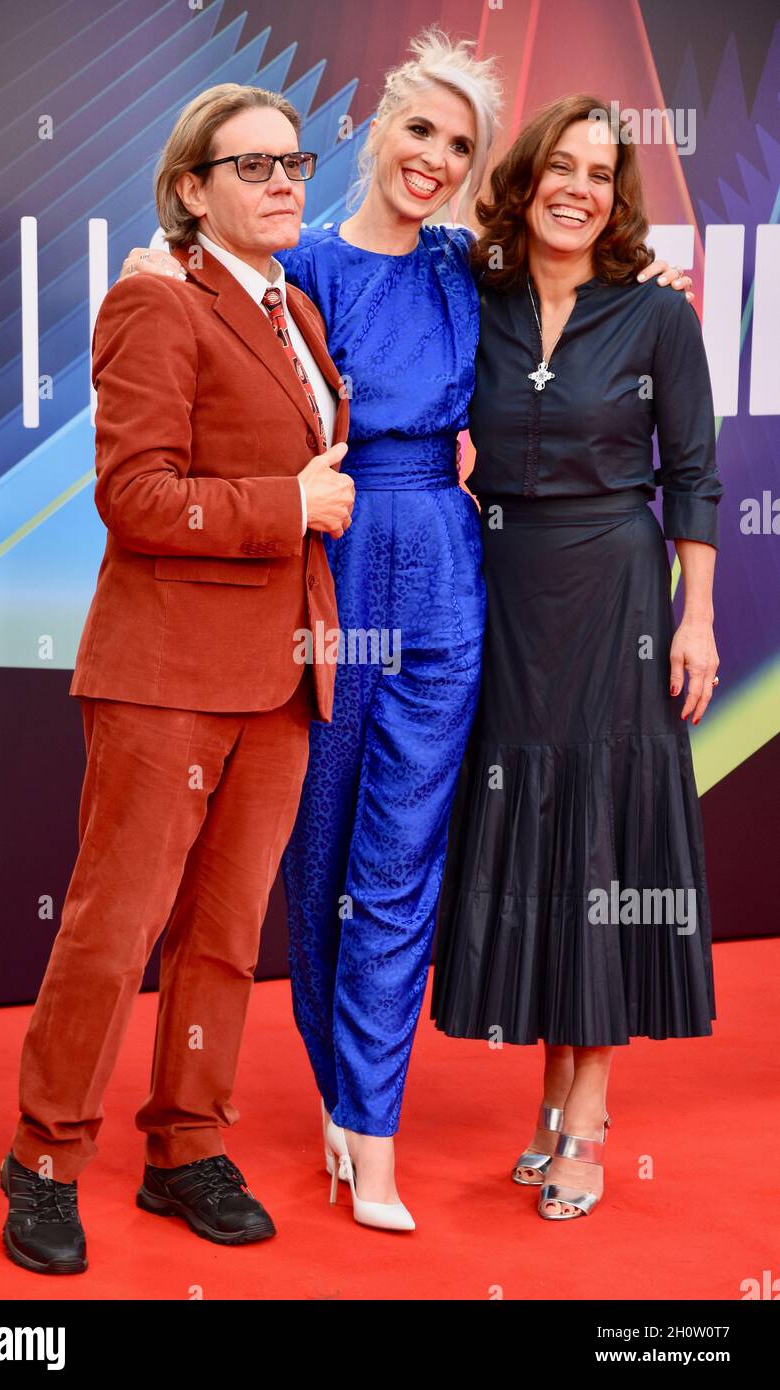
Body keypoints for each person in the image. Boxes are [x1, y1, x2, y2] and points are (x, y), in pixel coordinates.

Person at [122, 30, 693, 1232]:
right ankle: (339, 1100)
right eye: (416, 130)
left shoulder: (460, 267)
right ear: (374, 128)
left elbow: (570, 293)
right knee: (318, 856)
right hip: (325, 570)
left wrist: (645, 302)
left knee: (396, 866)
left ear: (476, 167)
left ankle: (372, 1134)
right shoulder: (306, 261)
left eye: (458, 142)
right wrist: (167, 267)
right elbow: (220, 303)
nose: (431, 157)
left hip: (445, 568)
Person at [1, 82, 354, 1274]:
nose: (282, 181)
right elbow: (134, 495)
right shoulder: (153, 301)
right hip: (164, 675)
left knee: (219, 938)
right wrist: (288, 504)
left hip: (281, 676)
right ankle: (44, 1159)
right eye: (249, 166)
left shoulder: (296, 313)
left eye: (292, 161)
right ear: (190, 190)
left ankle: (184, 1145)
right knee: (113, 930)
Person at [430, 94, 721, 1221]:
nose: (578, 189)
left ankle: (587, 1116)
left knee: (598, 834)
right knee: (538, 834)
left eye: (600, 174)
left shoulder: (657, 317)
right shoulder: (476, 292)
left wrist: (693, 618)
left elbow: (691, 473)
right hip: (500, 589)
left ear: (617, 196)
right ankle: (550, 1100)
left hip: (614, 590)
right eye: (560, 165)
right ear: (526, 175)